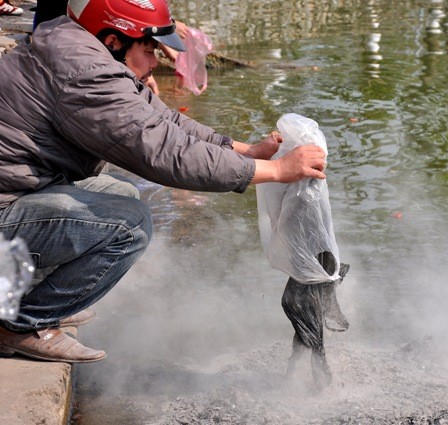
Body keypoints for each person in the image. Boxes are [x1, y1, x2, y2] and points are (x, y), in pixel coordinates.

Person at [0, 0, 327, 363]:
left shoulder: (72, 46)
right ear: (113, 40)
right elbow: (164, 152)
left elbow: (164, 121)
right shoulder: (86, 77)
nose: (157, 62)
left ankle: (35, 300)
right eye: (150, 48)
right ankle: (22, 324)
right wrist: (278, 172)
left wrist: (245, 152)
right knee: (129, 225)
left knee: (118, 192)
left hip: (14, 197)